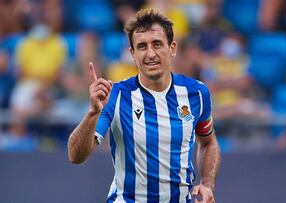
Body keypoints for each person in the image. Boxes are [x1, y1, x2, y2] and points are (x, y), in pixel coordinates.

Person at [67, 9, 220, 203]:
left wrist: (207, 184)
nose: (150, 54)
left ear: (172, 48)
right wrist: (92, 113)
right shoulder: (116, 96)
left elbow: (208, 142)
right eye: (141, 46)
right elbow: (76, 156)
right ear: (132, 53)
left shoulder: (197, 93)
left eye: (157, 44)